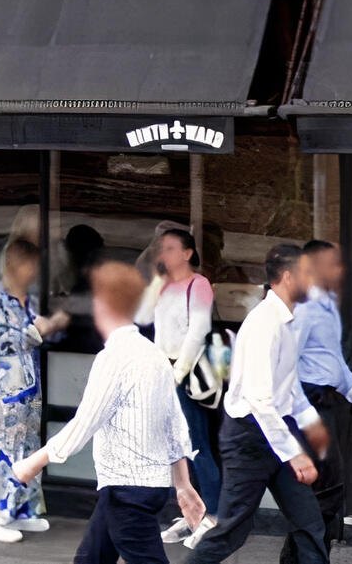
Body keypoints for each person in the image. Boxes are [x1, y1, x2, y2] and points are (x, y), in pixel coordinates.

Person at [12, 261, 207, 563]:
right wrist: (182, 484)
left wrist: (32, 463)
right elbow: (175, 425)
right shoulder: (152, 353)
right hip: (138, 488)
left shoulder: (113, 358)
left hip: (127, 492)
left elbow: (85, 423)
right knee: (91, 558)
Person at [187, 244, 329, 564]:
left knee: (309, 525)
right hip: (249, 438)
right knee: (232, 532)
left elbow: (287, 387)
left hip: (278, 431)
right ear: (290, 277)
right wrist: (294, 453)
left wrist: (308, 423)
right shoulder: (265, 323)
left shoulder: (289, 320)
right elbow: (260, 400)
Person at [282, 240, 352, 563]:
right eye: (331, 263)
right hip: (311, 404)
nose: (340, 270)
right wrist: (306, 417)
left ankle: (300, 557)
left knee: (328, 490)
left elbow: (332, 359)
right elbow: (286, 366)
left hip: (330, 404)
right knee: (324, 490)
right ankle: (306, 557)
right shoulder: (304, 309)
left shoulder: (326, 305)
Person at [132, 228, 222, 542]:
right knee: (176, 449)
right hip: (163, 371)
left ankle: (212, 514)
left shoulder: (199, 284)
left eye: (170, 248)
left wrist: (177, 374)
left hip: (185, 374)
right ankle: (192, 514)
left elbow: (199, 330)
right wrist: (156, 280)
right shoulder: (165, 285)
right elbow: (141, 316)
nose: (163, 253)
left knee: (196, 445)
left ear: (187, 253)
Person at [0, 239, 71, 542]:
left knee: (29, 446)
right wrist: (45, 327)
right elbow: (9, 342)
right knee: (5, 448)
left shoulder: (28, 301)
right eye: (30, 265)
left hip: (31, 387)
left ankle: (23, 511)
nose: (34, 272)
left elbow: (46, 334)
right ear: (14, 266)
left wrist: (54, 325)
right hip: (9, 387)